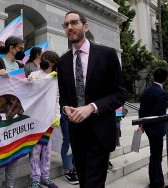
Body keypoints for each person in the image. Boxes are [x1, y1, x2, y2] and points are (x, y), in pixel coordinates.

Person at [57, 10, 128, 188]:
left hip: (100, 132)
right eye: (66, 25)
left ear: (85, 26)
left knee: (93, 184)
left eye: (74, 22)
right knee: (84, 182)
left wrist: (92, 107)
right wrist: (65, 109)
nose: (70, 27)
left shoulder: (107, 54)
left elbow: (120, 94)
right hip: (77, 134)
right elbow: (64, 98)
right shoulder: (63, 62)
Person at [0, 36, 25, 188]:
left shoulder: (20, 65)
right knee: (0, 154)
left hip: (14, 115)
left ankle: (10, 185)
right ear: (11, 48)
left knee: (14, 153)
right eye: (20, 49)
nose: (22, 52)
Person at [27, 51, 59, 188]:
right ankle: (35, 178)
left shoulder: (57, 78)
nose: (44, 63)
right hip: (36, 119)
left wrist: (57, 115)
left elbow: (57, 99)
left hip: (49, 120)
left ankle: (46, 177)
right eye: (43, 60)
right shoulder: (35, 74)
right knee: (35, 151)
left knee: (47, 150)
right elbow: (31, 83)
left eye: (48, 62)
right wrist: (41, 79)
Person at [137, 68, 168, 188]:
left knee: (154, 154)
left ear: (154, 77)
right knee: (156, 155)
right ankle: (157, 182)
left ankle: (156, 179)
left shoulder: (147, 90)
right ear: (165, 78)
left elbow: (142, 109)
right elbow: (158, 114)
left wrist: (142, 124)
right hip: (156, 128)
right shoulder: (162, 93)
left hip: (148, 127)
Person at [60, 115, 79, 184]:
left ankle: (74, 167)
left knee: (76, 139)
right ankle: (68, 170)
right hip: (65, 112)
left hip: (77, 110)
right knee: (68, 139)